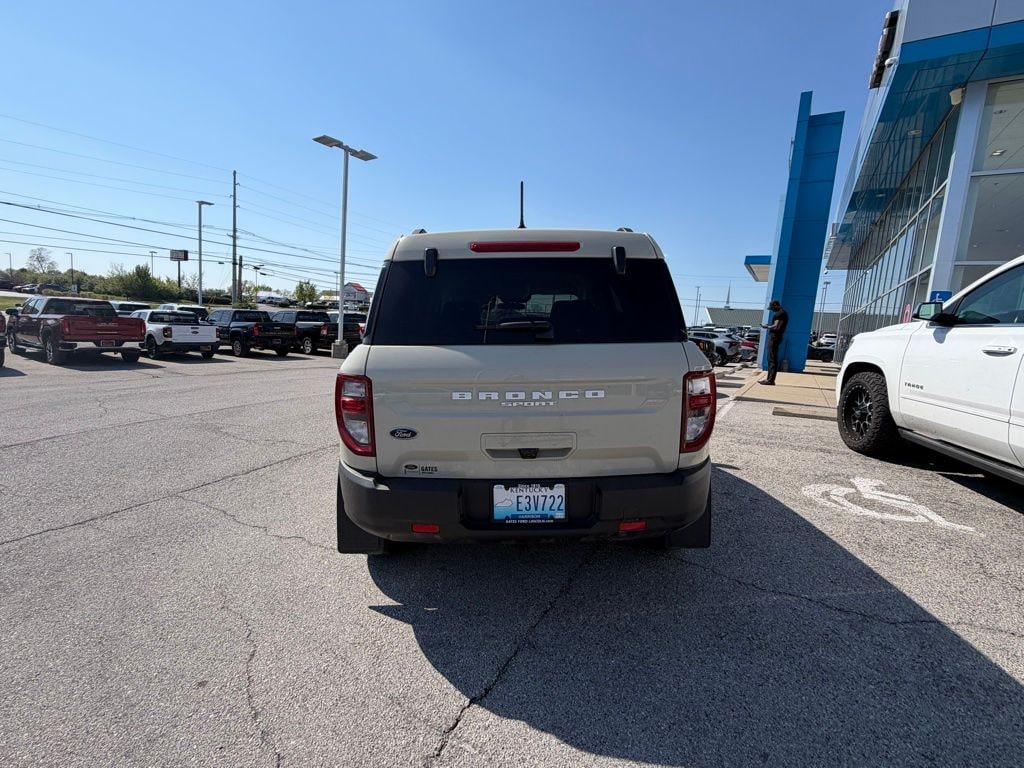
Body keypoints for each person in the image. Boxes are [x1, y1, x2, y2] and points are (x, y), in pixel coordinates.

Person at [760, 299, 788, 385]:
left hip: (774, 337)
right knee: (771, 358)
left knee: (771, 359)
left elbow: (776, 327)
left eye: (772, 308)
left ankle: (770, 380)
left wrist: (766, 326)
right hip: (777, 337)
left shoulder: (780, 314)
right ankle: (769, 379)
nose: (771, 310)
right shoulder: (783, 313)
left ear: (776, 305)